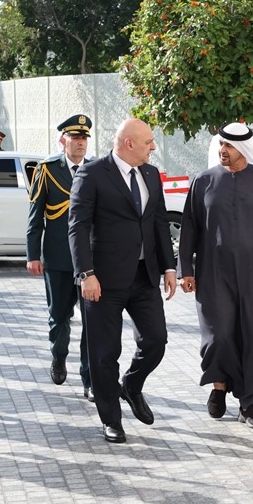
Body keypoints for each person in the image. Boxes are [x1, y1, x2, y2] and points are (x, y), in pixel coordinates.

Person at [180, 123, 253, 429]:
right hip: (212, 274)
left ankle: (252, 404)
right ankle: (219, 385)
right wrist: (185, 270)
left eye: (230, 146)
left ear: (244, 149)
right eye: (221, 144)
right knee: (218, 335)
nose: (223, 150)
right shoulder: (204, 181)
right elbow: (189, 227)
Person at [68, 118, 176, 444]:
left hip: (145, 277)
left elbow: (158, 223)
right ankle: (110, 420)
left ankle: (131, 384)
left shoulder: (151, 174)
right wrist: (85, 274)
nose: (153, 147)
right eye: (148, 142)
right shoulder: (92, 174)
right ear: (128, 143)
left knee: (156, 340)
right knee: (104, 354)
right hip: (102, 281)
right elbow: (77, 227)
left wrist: (170, 268)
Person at [27, 114, 93, 398]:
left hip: (90, 262)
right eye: (75, 138)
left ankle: (89, 378)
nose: (80, 143)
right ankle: (59, 355)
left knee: (93, 322)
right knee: (59, 316)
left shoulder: (96, 169)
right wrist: (33, 254)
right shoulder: (47, 169)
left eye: (84, 138)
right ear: (62, 140)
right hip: (57, 258)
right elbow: (36, 215)